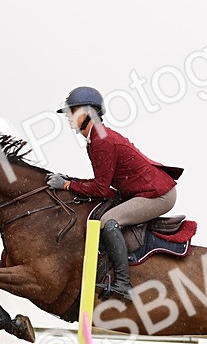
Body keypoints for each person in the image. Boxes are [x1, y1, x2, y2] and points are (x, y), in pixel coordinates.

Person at [46, 86, 183, 300]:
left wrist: (67, 185)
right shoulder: (96, 138)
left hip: (159, 195)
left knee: (108, 222)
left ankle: (123, 283)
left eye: (73, 111)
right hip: (142, 191)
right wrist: (71, 181)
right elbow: (103, 185)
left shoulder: (101, 140)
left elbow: (100, 189)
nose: (69, 117)